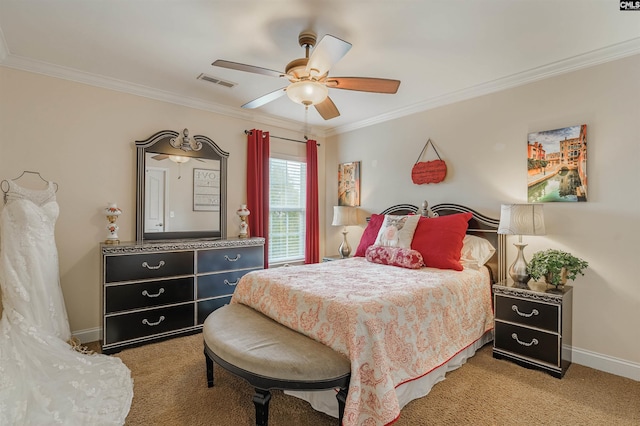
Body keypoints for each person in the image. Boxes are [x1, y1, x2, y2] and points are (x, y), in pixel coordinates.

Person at [0, 178, 133, 425]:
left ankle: (54, 341)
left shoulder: (52, 188)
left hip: (48, 256)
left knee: (48, 303)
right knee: (27, 314)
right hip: (24, 262)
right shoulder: (8, 188)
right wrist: (12, 280)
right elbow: (7, 241)